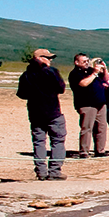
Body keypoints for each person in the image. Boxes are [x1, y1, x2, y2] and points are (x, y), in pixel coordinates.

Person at [17, 48, 67, 180]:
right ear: (39, 58)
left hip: (35, 112)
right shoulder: (51, 72)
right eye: (47, 57)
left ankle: (41, 172)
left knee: (39, 142)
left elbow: (21, 94)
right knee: (57, 141)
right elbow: (61, 88)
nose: (50, 60)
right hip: (53, 112)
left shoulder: (26, 75)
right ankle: (54, 171)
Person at [68, 54, 107, 157]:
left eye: (87, 61)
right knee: (87, 128)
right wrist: (94, 73)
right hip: (87, 103)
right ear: (77, 62)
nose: (87, 63)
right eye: (84, 61)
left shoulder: (91, 70)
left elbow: (105, 79)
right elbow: (83, 83)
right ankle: (84, 151)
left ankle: (100, 150)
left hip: (100, 102)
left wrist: (104, 69)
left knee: (101, 127)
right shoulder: (75, 74)